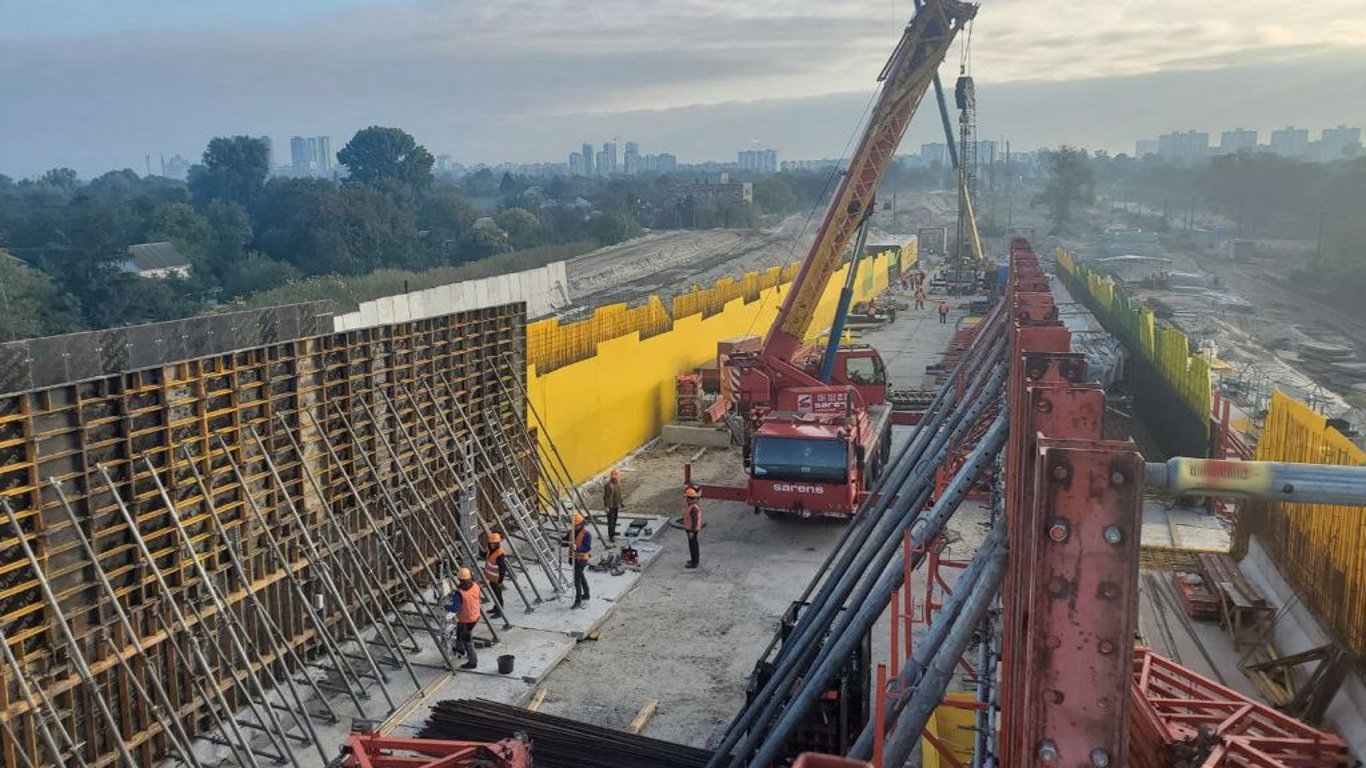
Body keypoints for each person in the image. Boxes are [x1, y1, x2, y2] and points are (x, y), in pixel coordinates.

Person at [448, 567, 481, 670]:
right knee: (459, 630)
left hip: (467, 620)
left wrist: (446, 606)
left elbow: (455, 608)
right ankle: (459, 649)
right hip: (475, 616)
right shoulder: (475, 586)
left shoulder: (460, 594)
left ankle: (472, 662)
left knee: (468, 641)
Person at [482, 533, 509, 619]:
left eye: (494, 543)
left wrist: (500, 582)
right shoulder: (491, 551)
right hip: (492, 579)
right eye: (491, 543)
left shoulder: (499, 554)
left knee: (498, 595)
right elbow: (485, 555)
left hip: (496, 580)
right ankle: (496, 607)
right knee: (495, 594)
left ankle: (499, 610)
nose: (492, 544)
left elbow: (502, 569)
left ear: (498, 543)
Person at [570, 512, 591, 609]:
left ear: (580, 524)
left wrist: (577, 549)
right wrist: (561, 541)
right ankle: (586, 594)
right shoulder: (573, 532)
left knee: (577, 580)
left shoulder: (586, 534)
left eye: (575, 525)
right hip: (575, 559)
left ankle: (578, 601)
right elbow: (567, 540)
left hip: (582, 560)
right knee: (581, 576)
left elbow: (587, 548)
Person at [603, 468, 624, 543]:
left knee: (615, 519)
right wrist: (606, 506)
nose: (616, 478)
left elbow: (619, 494)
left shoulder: (617, 484)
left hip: (616, 505)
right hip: (610, 507)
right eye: (616, 476)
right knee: (611, 521)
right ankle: (611, 536)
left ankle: (613, 531)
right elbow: (606, 497)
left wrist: (621, 503)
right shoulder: (609, 485)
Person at [683, 487, 702, 569]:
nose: (685, 499)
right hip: (690, 529)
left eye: (686, 497)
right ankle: (693, 560)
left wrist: (692, 531)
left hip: (692, 530)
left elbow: (694, 520)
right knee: (692, 545)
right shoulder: (691, 505)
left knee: (693, 546)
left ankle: (694, 563)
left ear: (688, 497)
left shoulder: (693, 507)